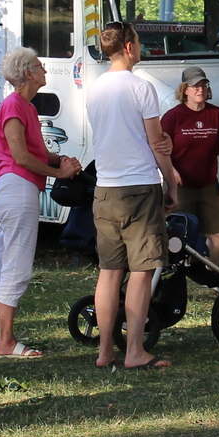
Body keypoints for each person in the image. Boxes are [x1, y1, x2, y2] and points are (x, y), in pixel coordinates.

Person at [0, 46, 80, 358]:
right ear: (28, 74)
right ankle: (5, 341)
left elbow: (36, 153)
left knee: (1, 259)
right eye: (40, 67)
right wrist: (58, 171)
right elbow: (20, 156)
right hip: (18, 188)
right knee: (16, 264)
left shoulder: (26, 107)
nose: (45, 70)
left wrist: (62, 161)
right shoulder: (15, 105)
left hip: (16, 188)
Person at [87, 22, 179, 372]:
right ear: (128, 46)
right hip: (139, 185)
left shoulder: (95, 89)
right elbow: (157, 143)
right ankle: (135, 351)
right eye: (138, 41)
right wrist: (170, 182)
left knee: (109, 271)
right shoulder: (141, 87)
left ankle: (105, 350)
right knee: (142, 270)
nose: (140, 47)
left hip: (105, 187)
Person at [160, 66, 219, 260]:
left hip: (208, 185)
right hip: (180, 187)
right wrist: (171, 171)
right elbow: (160, 150)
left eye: (204, 85)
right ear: (184, 90)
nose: (200, 90)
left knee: (218, 237)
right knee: (178, 236)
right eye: (195, 86)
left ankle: (211, 274)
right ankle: (177, 275)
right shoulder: (173, 117)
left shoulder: (216, 114)